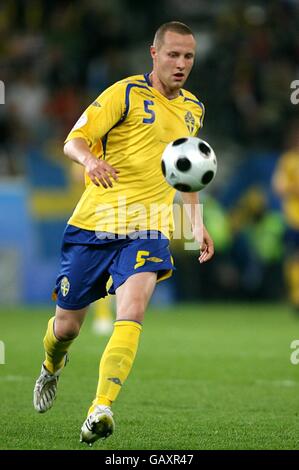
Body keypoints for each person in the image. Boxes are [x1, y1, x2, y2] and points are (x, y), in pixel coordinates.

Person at [33, 21, 214, 445]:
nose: (181, 64)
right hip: (94, 224)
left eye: (188, 56)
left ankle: (101, 408)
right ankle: (51, 366)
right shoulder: (125, 93)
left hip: (148, 227)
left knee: (131, 309)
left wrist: (196, 223)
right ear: (154, 54)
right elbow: (74, 140)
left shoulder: (194, 110)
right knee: (66, 329)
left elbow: (186, 174)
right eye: (173, 54)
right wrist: (90, 162)